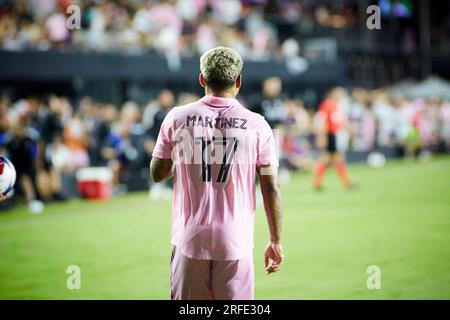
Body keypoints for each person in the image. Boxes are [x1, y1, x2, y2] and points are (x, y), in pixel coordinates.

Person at [150, 46, 284, 300]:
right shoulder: (257, 125)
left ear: (202, 79)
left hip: (190, 239)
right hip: (235, 241)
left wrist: (184, 151)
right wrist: (275, 241)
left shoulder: (177, 118)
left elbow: (158, 174)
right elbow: (272, 188)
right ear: (238, 81)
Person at [313, 87, 353, 190]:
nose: (340, 95)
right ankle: (347, 183)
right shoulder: (327, 104)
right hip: (329, 135)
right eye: (339, 93)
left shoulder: (335, 105)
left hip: (333, 135)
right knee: (335, 158)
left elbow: (337, 121)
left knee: (328, 159)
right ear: (333, 93)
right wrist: (323, 136)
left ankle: (318, 184)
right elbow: (322, 121)